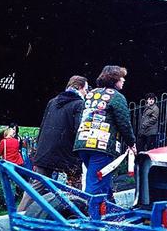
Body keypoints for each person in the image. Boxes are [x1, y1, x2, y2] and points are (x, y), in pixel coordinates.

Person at [17, 76, 88, 210]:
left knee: (36, 185)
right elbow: (79, 130)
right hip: (67, 153)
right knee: (75, 184)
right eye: (86, 89)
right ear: (79, 88)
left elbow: (43, 126)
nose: (87, 92)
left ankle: (19, 216)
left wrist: (39, 149)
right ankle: (77, 213)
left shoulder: (52, 102)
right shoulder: (79, 104)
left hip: (45, 150)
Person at [74, 65, 137, 197]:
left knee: (102, 180)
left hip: (82, 144)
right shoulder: (117, 97)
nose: (124, 80)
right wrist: (132, 143)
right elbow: (124, 123)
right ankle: (91, 215)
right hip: (102, 147)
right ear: (114, 79)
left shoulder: (91, 94)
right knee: (96, 184)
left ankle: (111, 211)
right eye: (121, 78)